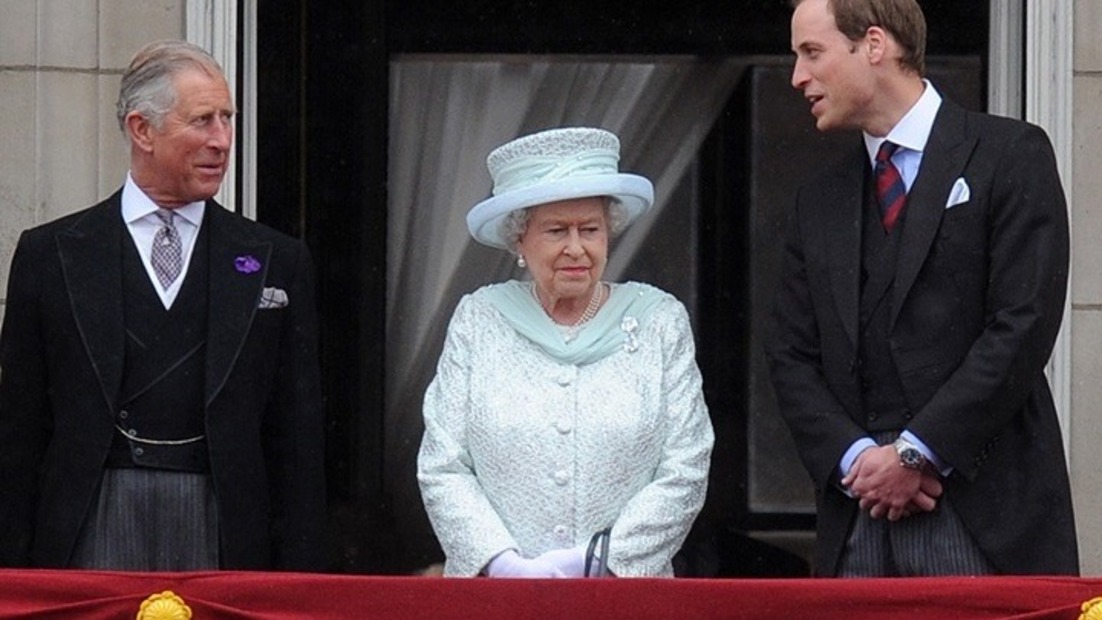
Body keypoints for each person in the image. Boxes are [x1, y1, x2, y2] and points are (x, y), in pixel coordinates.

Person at [767, 0, 1078, 577]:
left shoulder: (1010, 154)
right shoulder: (819, 200)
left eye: (812, 53)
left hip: (982, 512)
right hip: (858, 517)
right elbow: (790, 355)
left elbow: (1024, 321)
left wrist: (918, 452)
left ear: (875, 45)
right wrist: (859, 462)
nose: (798, 77)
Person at [0, 40, 326, 571]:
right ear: (142, 130)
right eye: (202, 120)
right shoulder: (51, 255)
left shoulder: (278, 261)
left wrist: (299, 584)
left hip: (226, 532)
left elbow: (298, 443)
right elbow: (19, 431)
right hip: (90, 525)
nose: (222, 140)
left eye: (227, 118)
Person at [417, 127, 714, 578]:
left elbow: (687, 465)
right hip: (498, 596)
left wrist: (595, 561)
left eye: (590, 229)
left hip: (622, 597)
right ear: (519, 239)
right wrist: (502, 566)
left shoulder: (659, 321)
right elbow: (443, 464)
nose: (576, 248)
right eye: (556, 231)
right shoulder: (479, 320)